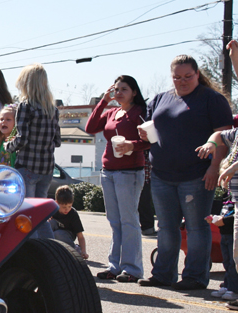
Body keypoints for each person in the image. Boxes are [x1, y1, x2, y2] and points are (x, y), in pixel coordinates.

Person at [138, 55, 233, 290]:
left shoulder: (212, 99)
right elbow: (151, 132)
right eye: (177, 77)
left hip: (197, 175)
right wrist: (144, 135)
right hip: (162, 174)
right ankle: (163, 274)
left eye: (188, 76)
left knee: (196, 227)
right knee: (166, 227)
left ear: (197, 74)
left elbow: (224, 138)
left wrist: (214, 167)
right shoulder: (160, 98)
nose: (182, 81)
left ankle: (195, 277)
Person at [85, 75, 150, 283]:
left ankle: (132, 269)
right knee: (114, 221)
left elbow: (150, 140)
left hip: (129, 172)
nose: (119, 93)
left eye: (124, 89)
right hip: (108, 171)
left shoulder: (140, 113)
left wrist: (132, 145)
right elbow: (90, 128)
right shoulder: (112, 112)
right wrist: (103, 102)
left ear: (134, 92)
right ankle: (114, 266)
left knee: (129, 221)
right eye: (117, 89)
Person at [3, 64, 61, 239]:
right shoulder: (53, 109)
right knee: (40, 215)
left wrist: (8, 146)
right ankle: (50, 248)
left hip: (28, 166)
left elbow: (22, 139)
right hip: (47, 168)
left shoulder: (26, 106)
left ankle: (32, 250)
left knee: (27, 214)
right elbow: (57, 141)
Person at [50, 186, 88, 258]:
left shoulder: (73, 214)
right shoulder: (52, 210)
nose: (67, 209)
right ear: (56, 203)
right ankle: (51, 249)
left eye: (69, 206)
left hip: (67, 235)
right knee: (49, 223)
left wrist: (83, 251)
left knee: (57, 234)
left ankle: (74, 249)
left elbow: (80, 236)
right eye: (64, 207)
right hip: (56, 234)